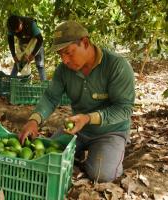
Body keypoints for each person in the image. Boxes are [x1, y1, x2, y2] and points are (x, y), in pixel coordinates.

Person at [18, 20, 135, 182]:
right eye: (61, 55)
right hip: (77, 130)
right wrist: (34, 120)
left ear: (85, 43)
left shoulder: (116, 66)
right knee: (48, 158)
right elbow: (51, 97)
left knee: (101, 174)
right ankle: (79, 149)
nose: (65, 60)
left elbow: (124, 109)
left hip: (111, 131)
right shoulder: (63, 70)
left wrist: (88, 118)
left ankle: (108, 149)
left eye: (69, 52)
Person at [7, 15, 46, 80]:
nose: (17, 32)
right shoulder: (11, 27)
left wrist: (33, 54)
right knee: (18, 63)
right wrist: (14, 55)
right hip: (24, 45)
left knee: (40, 65)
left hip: (36, 44)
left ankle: (45, 86)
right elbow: (10, 41)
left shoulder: (30, 23)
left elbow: (40, 39)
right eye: (15, 31)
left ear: (20, 22)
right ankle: (11, 84)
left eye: (18, 29)